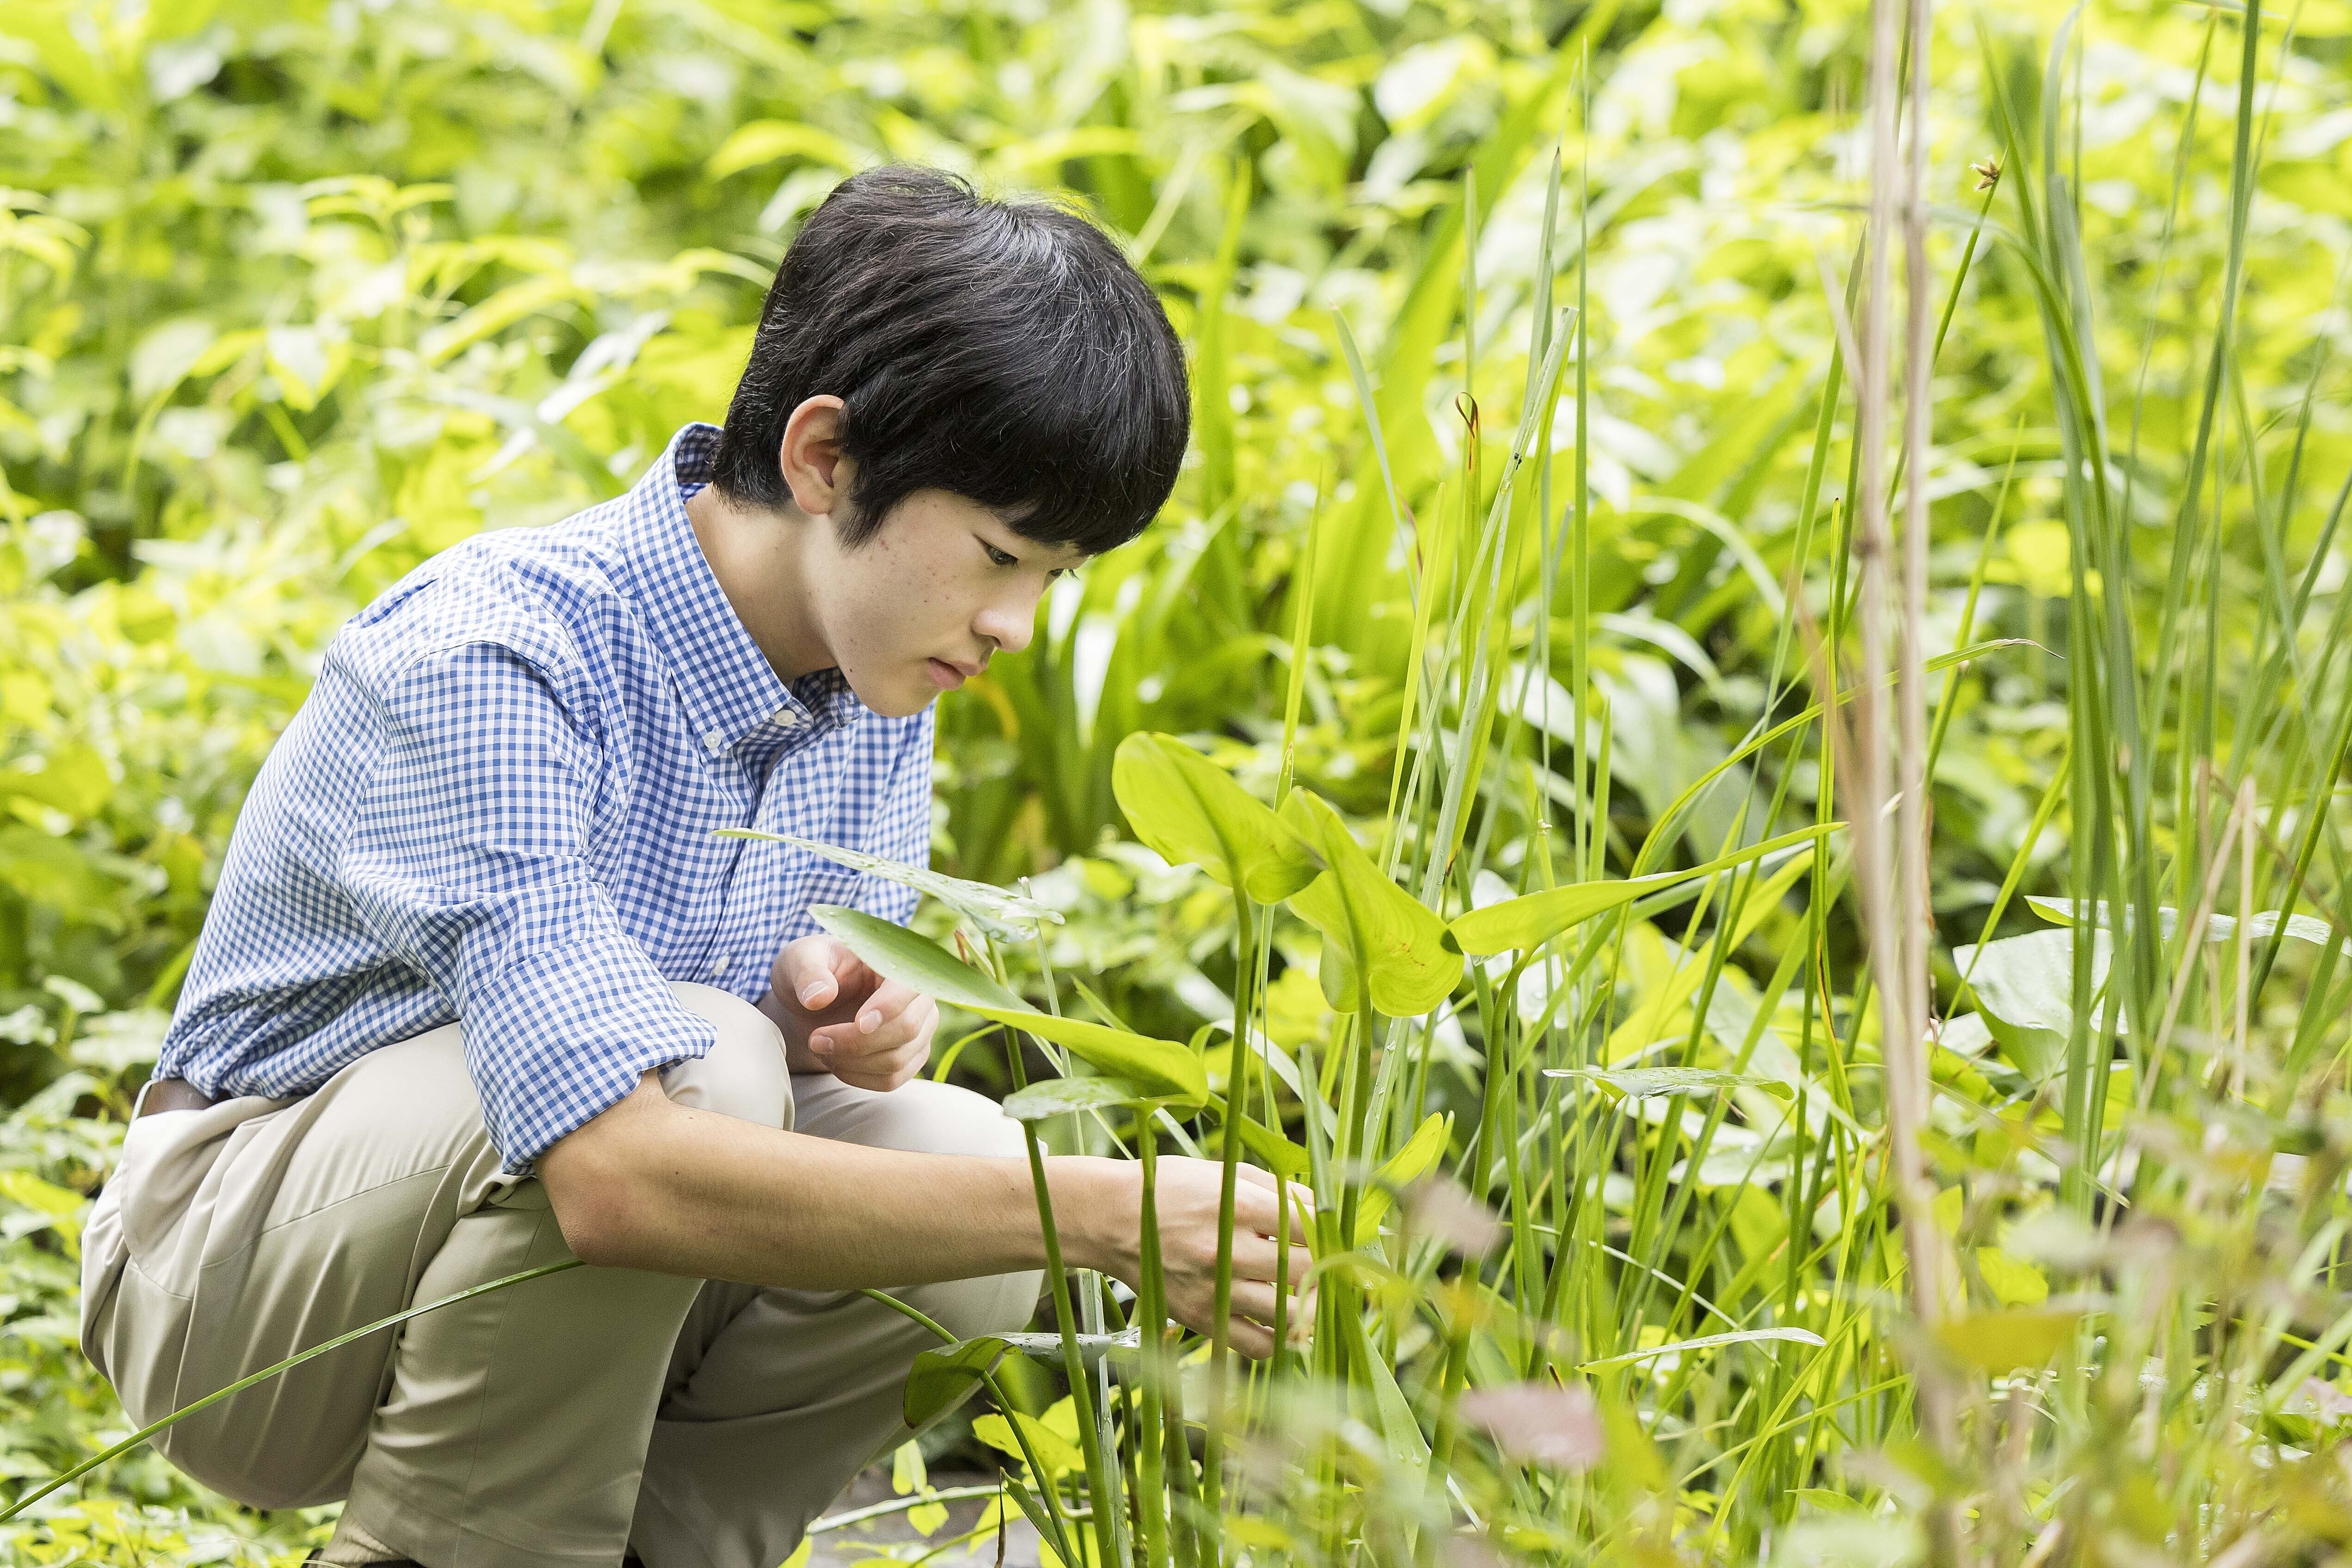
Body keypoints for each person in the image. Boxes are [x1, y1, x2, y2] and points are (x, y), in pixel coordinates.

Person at [76, 166, 1312, 1568]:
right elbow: (615, 1174)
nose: (1018, 622)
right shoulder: (497, 657)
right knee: (707, 1066)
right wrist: (1103, 1211)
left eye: (1057, 574)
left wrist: (832, 1030)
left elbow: (753, 1087)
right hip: (230, 1290)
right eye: (997, 552)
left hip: (531, 1285)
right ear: (823, 457)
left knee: (959, 1156)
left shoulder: (871, 676)